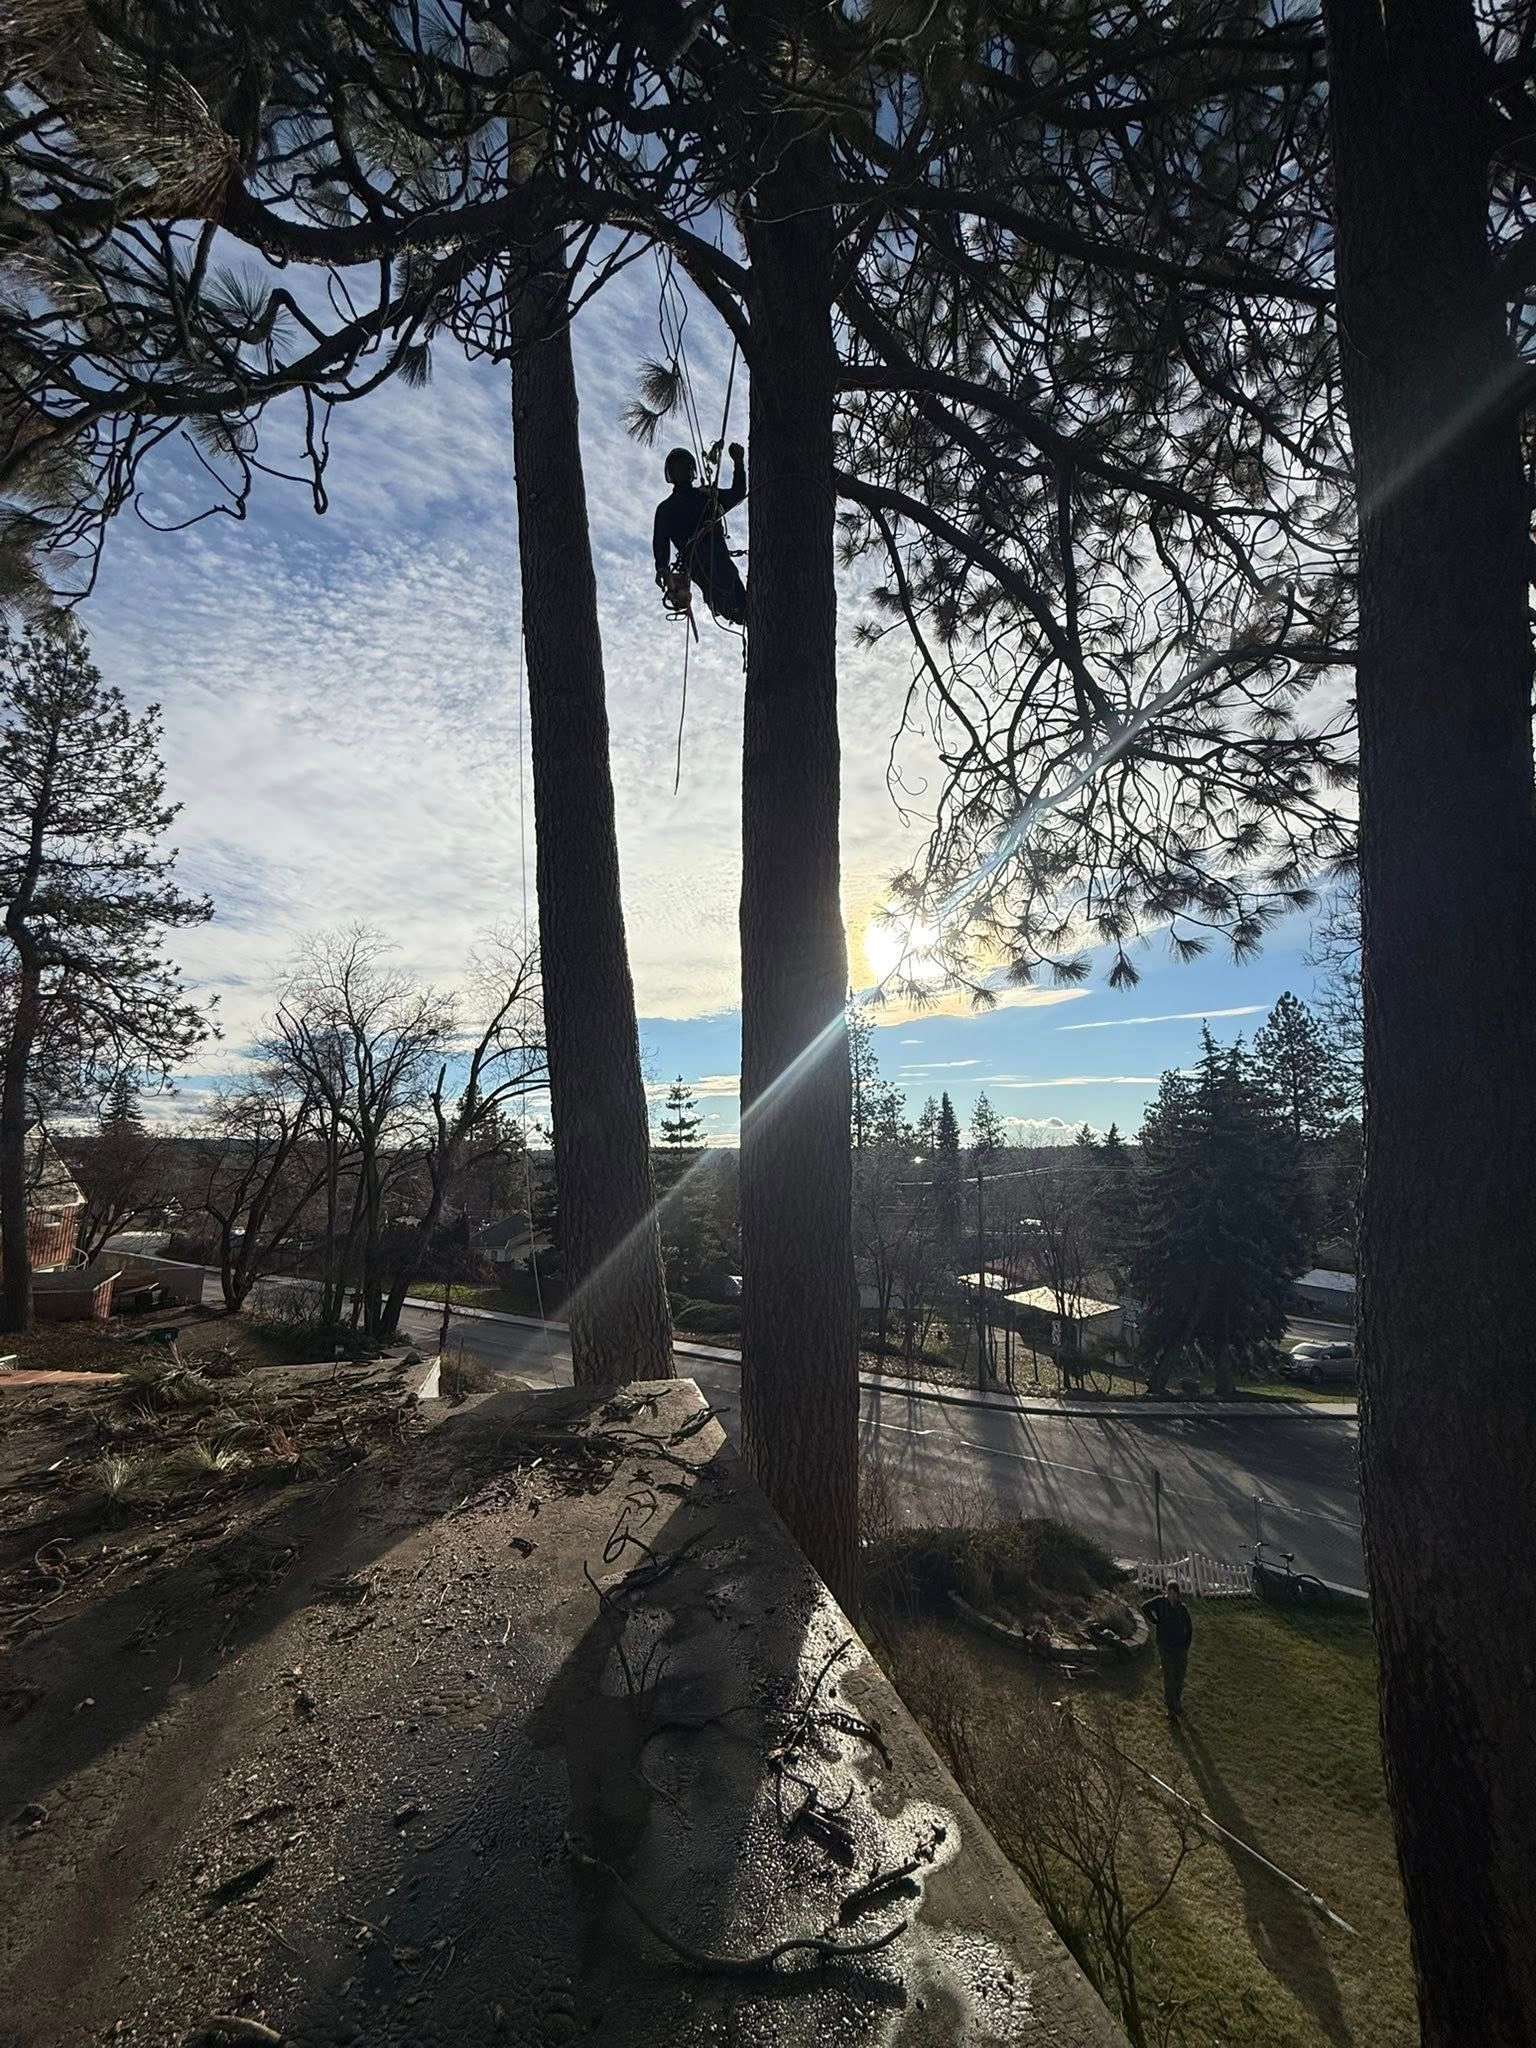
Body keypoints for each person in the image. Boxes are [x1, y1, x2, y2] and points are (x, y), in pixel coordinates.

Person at [652, 442, 747, 625]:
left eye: (684, 467)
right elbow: (660, 542)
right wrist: (661, 568)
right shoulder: (666, 509)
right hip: (698, 560)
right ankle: (733, 610)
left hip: (717, 556)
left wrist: (738, 463)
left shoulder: (706, 496)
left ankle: (745, 612)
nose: (681, 472)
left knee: (734, 590)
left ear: (691, 470)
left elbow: (737, 495)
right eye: (677, 468)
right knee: (723, 591)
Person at [1141, 1579, 1194, 1720]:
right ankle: (1170, 1708)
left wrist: (1186, 1646)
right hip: (1165, 1647)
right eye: (1169, 1592)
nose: (1171, 1596)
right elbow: (1144, 1607)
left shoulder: (1182, 1609)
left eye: (1174, 1593)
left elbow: (1189, 1629)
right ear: (1166, 1592)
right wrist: (1155, 1621)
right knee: (1169, 1676)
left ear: (1177, 1595)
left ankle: (1177, 1702)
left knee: (1179, 1677)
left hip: (1180, 1648)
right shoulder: (1160, 1603)